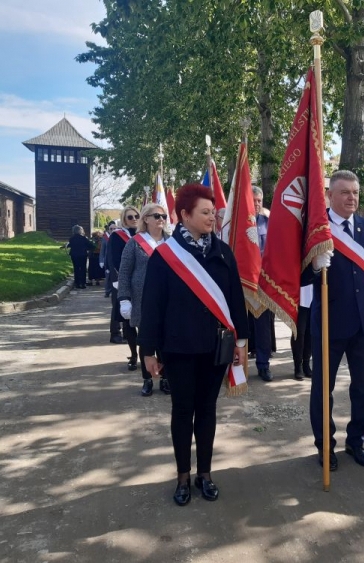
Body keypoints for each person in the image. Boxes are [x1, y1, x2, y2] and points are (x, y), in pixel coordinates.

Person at [139, 184, 249, 506]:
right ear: (184, 215)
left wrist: (241, 341)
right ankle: (183, 477)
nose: (212, 217)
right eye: (205, 212)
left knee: (207, 411)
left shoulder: (223, 252)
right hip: (179, 349)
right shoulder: (165, 256)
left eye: (213, 212)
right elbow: (153, 305)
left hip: (216, 350)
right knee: (182, 411)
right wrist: (149, 351)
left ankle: (205, 474)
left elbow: (235, 301)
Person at [304, 170, 364, 471]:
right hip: (329, 322)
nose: (351, 197)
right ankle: (325, 446)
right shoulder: (316, 229)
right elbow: (297, 275)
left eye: (355, 192)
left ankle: (357, 441)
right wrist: (314, 266)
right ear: (330, 195)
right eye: (344, 192)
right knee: (322, 390)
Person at [117, 204, 171, 397]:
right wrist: (124, 299)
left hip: (167, 301)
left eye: (163, 215)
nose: (161, 219)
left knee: (165, 342)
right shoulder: (134, 243)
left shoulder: (171, 242)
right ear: (146, 219)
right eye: (156, 215)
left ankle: (165, 378)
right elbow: (124, 273)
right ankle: (147, 379)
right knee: (147, 342)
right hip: (142, 300)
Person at [107, 207, 140, 360]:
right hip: (126, 281)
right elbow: (115, 260)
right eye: (130, 217)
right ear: (124, 220)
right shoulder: (117, 236)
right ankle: (133, 355)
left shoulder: (146, 235)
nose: (134, 219)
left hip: (144, 283)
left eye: (136, 216)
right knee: (128, 320)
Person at [251, 186, 275, 382]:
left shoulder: (269, 223)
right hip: (240, 281)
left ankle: (263, 364)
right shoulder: (233, 224)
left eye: (259, 200)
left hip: (262, 283)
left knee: (263, 327)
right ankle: (233, 365)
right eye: (253, 200)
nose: (257, 204)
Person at [290, 285, 313, 381]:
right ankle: (298, 365)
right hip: (299, 295)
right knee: (299, 332)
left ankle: (306, 364)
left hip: (315, 294)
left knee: (311, 332)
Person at [100, 221, 117, 299]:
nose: (113, 230)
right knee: (108, 276)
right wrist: (101, 260)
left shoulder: (119, 237)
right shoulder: (105, 238)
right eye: (111, 229)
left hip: (116, 260)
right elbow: (102, 250)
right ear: (108, 229)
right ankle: (107, 291)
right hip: (108, 260)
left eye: (114, 228)